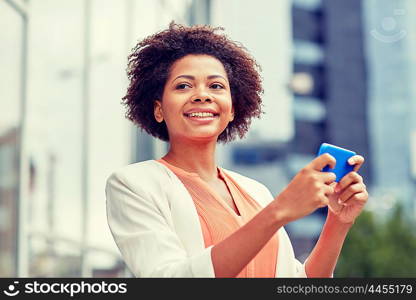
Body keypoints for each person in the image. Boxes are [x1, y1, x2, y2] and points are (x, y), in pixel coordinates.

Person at [105, 22, 368, 278]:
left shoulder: (256, 191)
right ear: (159, 109)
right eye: (183, 85)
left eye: (216, 86)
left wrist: (338, 221)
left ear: (231, 109)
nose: (202, 95)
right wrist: (278, 212)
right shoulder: (133, 184)